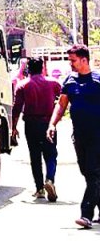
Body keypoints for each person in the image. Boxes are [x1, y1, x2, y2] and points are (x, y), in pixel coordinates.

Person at [47, 44, 100, 228]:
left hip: (97, 135)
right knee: (87, 172)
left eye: (73, 60)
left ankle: (86, 215)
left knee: (93, 173)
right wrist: (52, 124)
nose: (70, 64)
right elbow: (61, 105)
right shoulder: (69, 80)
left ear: (84, 60)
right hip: (79, 136)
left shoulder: (98, 80)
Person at [11, 56, 61, 201]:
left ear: (28, 69)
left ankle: (39, 189)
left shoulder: (23, 85)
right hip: (49, 123)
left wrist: (14, 128)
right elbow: (62, 100)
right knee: (51, 154)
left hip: (31, 125)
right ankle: (50, 180)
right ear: (42, 68)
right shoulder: (54, 83)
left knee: (35, 156)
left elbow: (16, 108)